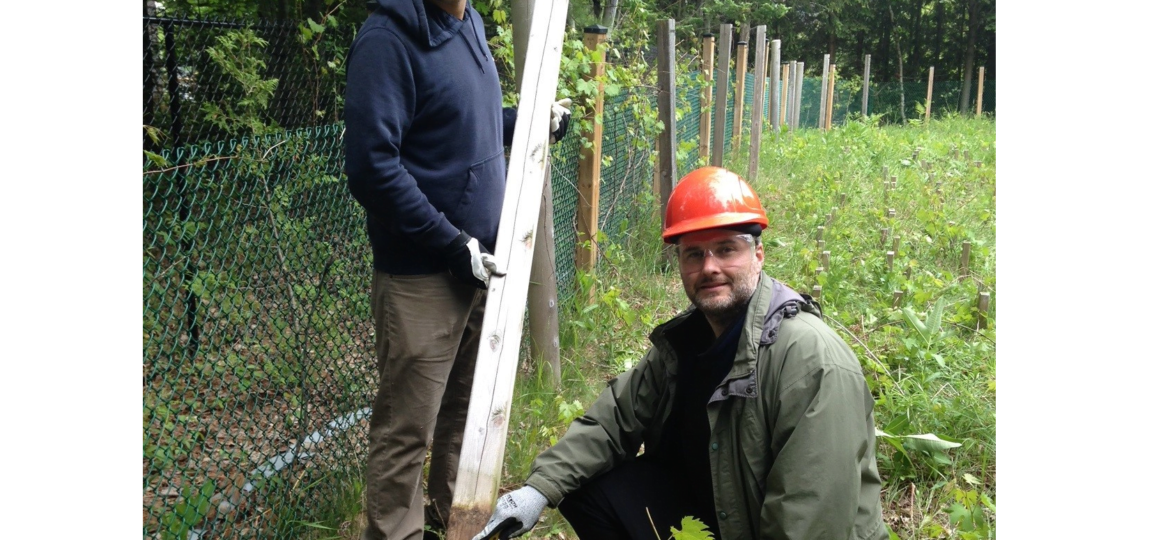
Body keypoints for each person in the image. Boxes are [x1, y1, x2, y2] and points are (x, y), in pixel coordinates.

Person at [473, 166, 889, 540]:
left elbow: (810, 513)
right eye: (694, 253)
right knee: (586, 488)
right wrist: (537, 489)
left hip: (768, 524)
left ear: (757, 255)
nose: (709, 267)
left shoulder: (810, 362)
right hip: (712, 512)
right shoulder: (686, 342)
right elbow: (614, 420)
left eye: (726, 249)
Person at [343, 1, 570, 539]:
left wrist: (531, 122)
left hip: (477, 268)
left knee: (463, 415)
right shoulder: (387, 41)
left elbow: (475, 126)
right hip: (423, 276)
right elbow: (372, 167)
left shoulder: (469, 24)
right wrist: (450, 243)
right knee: (408, 429)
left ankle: (455, 521)